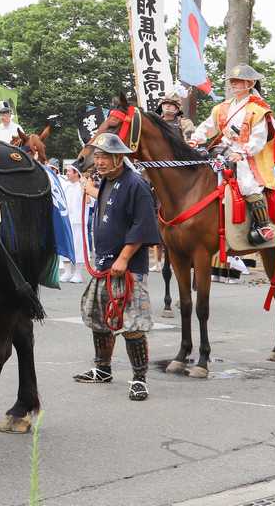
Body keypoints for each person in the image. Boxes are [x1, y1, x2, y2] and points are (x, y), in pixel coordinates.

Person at [74, 133, 161, 401]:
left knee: (132, 322)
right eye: (97, 156)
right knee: (99, 317)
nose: (98, 162)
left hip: (127, 266)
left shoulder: (136, 184)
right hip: (104, 263)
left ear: (119, 158)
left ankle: (139, 379)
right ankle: (103, 368)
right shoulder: (107, 183)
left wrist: (124, 257)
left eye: (104, 157)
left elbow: (143, 224)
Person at [188, 64, 275, 247]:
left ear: (250, 83)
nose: (234, 84)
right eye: (233, 81)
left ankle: (264, 225)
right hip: (221, 150)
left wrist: (242, 152)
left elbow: (259, 138)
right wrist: (195, 139)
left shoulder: (258, 109)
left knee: (247, 184)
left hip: (245, 154)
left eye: (238, 81)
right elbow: (208, 126)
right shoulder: (222, 107)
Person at [61, 163, 87, 283]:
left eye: (69, 171)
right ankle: (67, 272)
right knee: (66, 246)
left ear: (76, 173)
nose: (66, 173)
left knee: (78, 247)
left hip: (78, 223)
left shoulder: (83, 186)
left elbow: (88, 201)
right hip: (66, 222)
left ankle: (77, 273)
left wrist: (84, 184)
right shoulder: (65, 186)